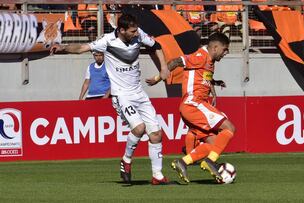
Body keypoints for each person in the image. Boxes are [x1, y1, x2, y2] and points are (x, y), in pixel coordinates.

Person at [50, 13, 170, 185]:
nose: (136, 33)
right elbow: (82, 48)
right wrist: (62, 48)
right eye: (132, 31)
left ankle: (157, 175)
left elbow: (157, 46)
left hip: (139, 93)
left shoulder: (139, 34)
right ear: (121, 30)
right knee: (139, 128)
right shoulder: (107, 41)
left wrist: (164, 68)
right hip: (122, 94)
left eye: (136, 30)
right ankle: (126, 159)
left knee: (156, 135)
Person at [147, 32, 235, 183]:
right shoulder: (200, 56)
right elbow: (176, 61)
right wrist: (158, 77)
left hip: (194, 105)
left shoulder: (209, 61)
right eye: (225, 49)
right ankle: (210, 162)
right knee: (229, 128)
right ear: (215, 47)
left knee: (213, 144)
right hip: (194, 103)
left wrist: (215, 84)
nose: (226, 53)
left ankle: (183, 162)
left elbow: (203, 76)